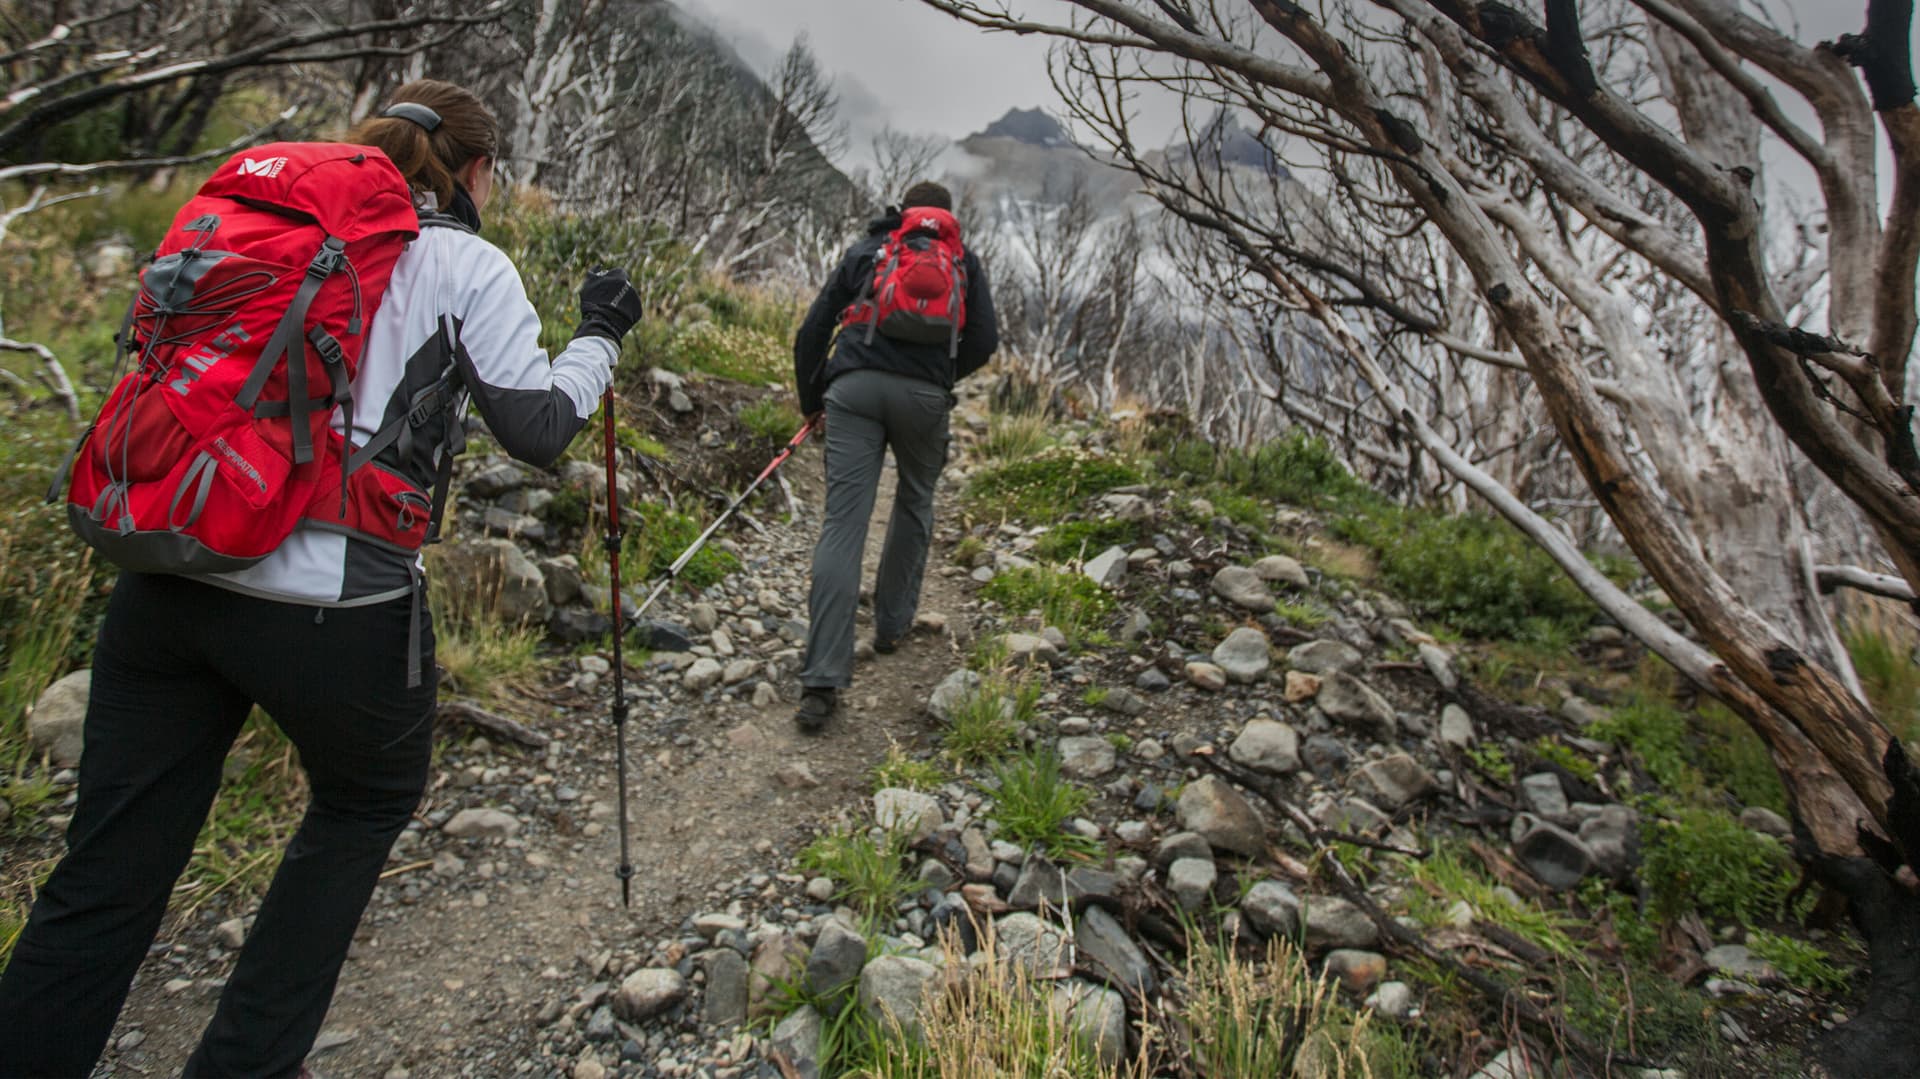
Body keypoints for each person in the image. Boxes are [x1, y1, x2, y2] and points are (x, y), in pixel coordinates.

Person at [0, 79, 642, 1078]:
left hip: (170, 568)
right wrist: (601, 332)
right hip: (334, 602)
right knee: (363, 798)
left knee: (103, 874)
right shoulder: (466, 264)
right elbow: (539, 430)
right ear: (476, 172)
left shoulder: (252, 225)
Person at [791, 181, 999, 733]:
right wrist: (939, 377)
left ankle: (821, 681)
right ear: (946, 220)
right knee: (914, 503)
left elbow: (813, 330)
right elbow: (985, 339)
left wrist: (813, 402)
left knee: (843, 524)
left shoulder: (869, 251)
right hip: (925, 399)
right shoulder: (963, 262)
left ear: (902, 215)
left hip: (853, 391)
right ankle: (890, 626)